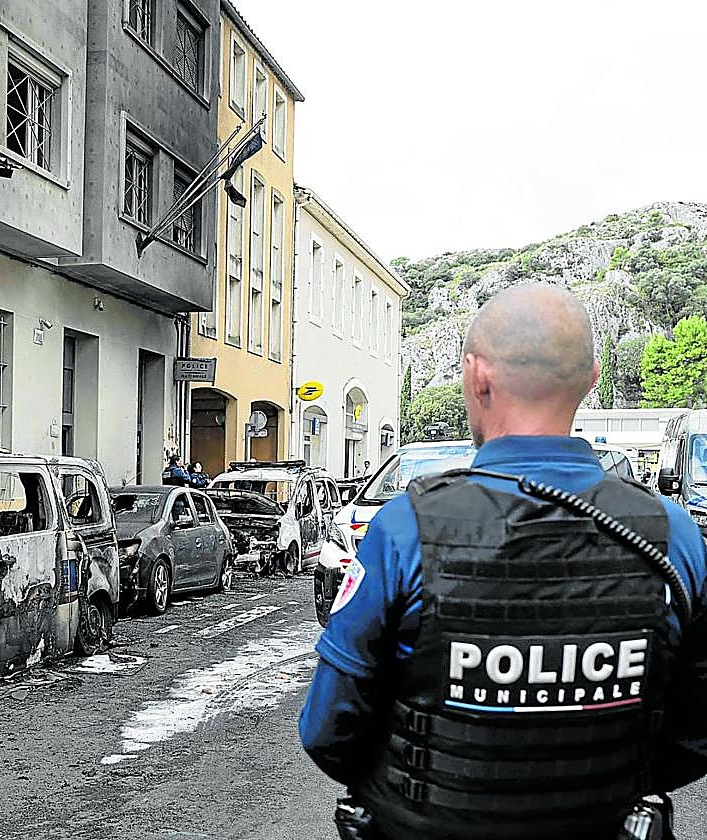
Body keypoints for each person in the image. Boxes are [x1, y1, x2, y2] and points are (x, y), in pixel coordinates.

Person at [299, 284, 707, 840]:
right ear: (590, 381)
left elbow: (329, 729)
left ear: (476, 376)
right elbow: (696, 731)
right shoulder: (674, 536)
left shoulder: (404, 530)